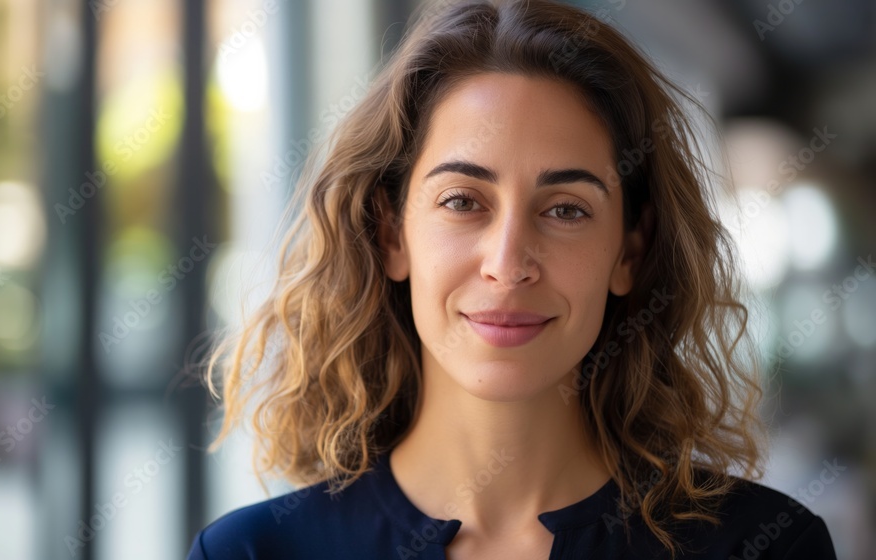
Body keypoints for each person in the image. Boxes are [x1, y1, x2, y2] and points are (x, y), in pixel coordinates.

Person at [187, 0, 838, 558]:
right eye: (463, 201)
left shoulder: (763, 546)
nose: (508, 261)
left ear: (630, 253)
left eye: (565, 210)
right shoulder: (254, 553)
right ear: (391, 235)